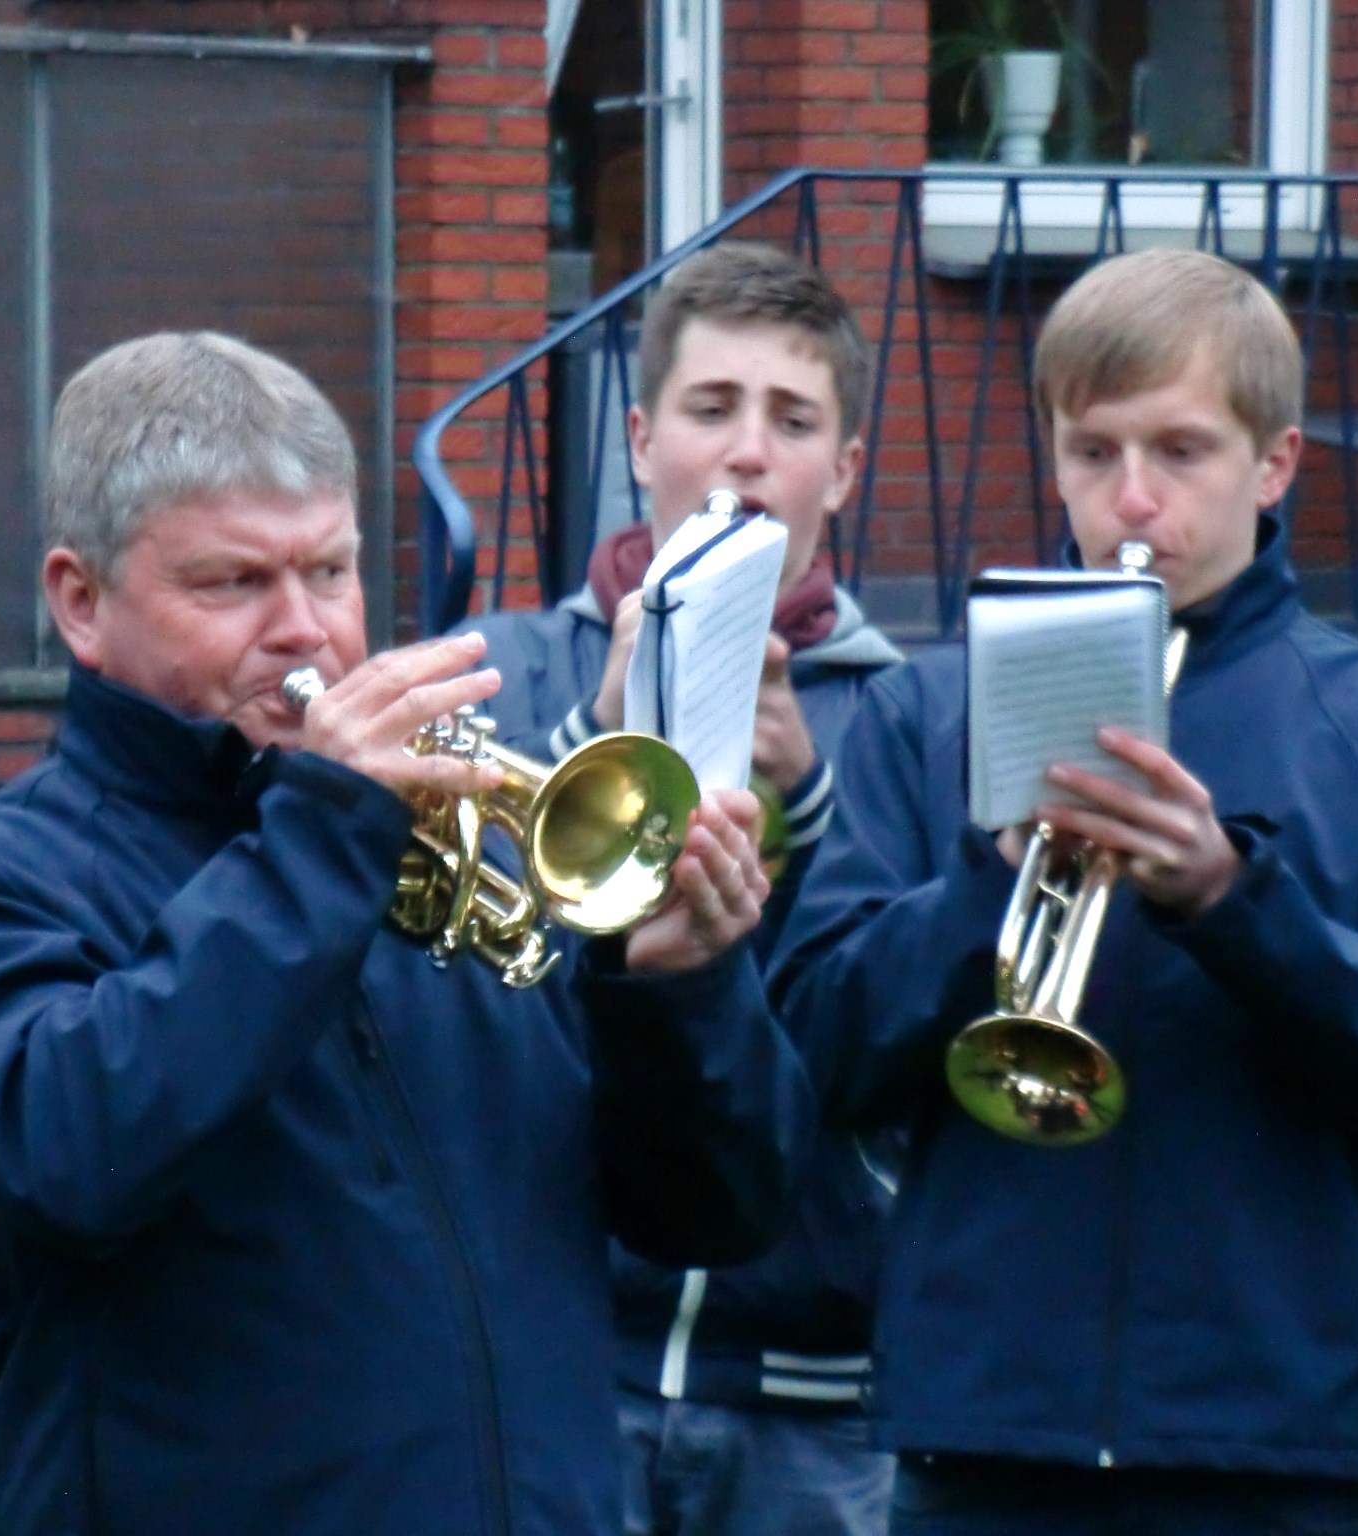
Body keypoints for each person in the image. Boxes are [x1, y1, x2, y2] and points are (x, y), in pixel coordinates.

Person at [0, 331, 816, 1536]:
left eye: (330, 571)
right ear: (81, 603)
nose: (305, 629)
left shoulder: (465, 850)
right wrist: (322, 837)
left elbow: (718, 1218)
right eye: (233, 583)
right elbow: (68, 1156)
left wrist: (673, 993)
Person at [767, 248, 1358, 1535]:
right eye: (1092, 452)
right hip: (986, 1426)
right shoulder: (921, 712)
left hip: (1270, 1437)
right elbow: (818, 1058)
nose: (1130, 500)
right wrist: (985, 877)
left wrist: (1229, 897)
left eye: (1180, 451)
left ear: (1272, 464)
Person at [468, 242, 903, 1535]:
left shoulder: (908, 714)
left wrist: (808, 807)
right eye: (711, 409)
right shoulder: (498, 671)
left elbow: (886, 1028)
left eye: (793, 422)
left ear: (844, 471)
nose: (747, 453)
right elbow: (454, 967)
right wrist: (582, 746)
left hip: (816, 1395)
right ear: (642, 441)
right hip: (555, 1358)